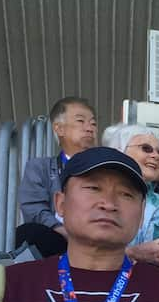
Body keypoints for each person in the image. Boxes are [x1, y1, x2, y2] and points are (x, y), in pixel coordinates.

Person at [0, 147, 159, 302]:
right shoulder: (13, 285)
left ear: (140, 215)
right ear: (61, 204)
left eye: (126, 194)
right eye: (93, 188)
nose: (108, 203)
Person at [16, 96, 98, 258]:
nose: (90, 128)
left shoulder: (106, 171)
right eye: (81, 121)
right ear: (59, 129)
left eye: (93, 123)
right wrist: (63, 231)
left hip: (97, 241)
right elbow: (34, 209)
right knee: (29, 233)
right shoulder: (40, 167)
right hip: (58, 239)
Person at [101, 122, 159, 272]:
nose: (155, 156)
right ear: (120, 150)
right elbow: (82, 255)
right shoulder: (96, 197)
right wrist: (133, 254)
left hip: (149, 287)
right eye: (146, 148)